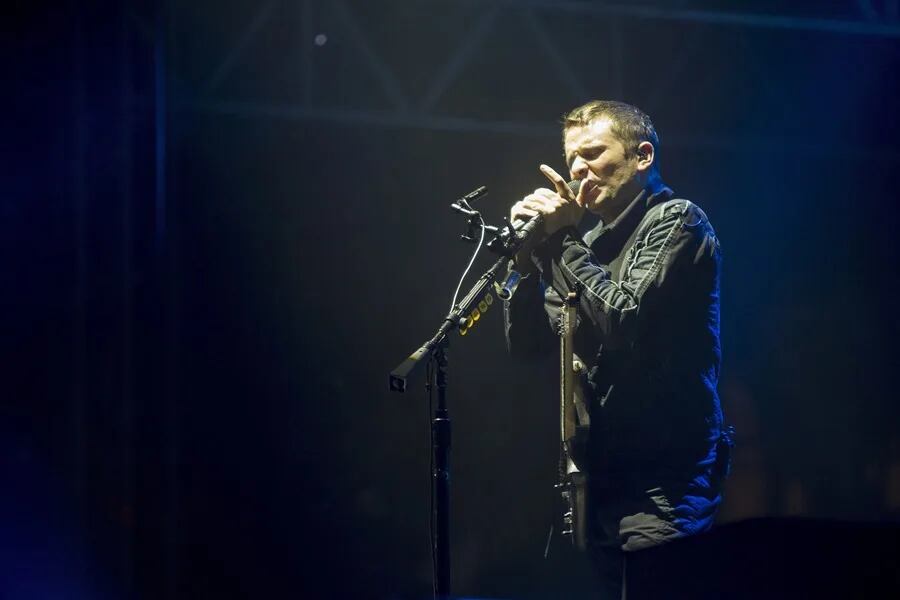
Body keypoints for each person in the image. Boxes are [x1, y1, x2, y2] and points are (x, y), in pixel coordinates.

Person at [503, 100, 731, 598]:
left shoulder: (677, 222)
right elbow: (528, 345)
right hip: (601, 481)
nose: (578, 168)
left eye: (592, 153)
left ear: (642, 156)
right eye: (571, 160)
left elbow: (623, 319)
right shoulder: (588, 245)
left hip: (665, 479)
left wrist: (561, 241)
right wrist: (524, 262)